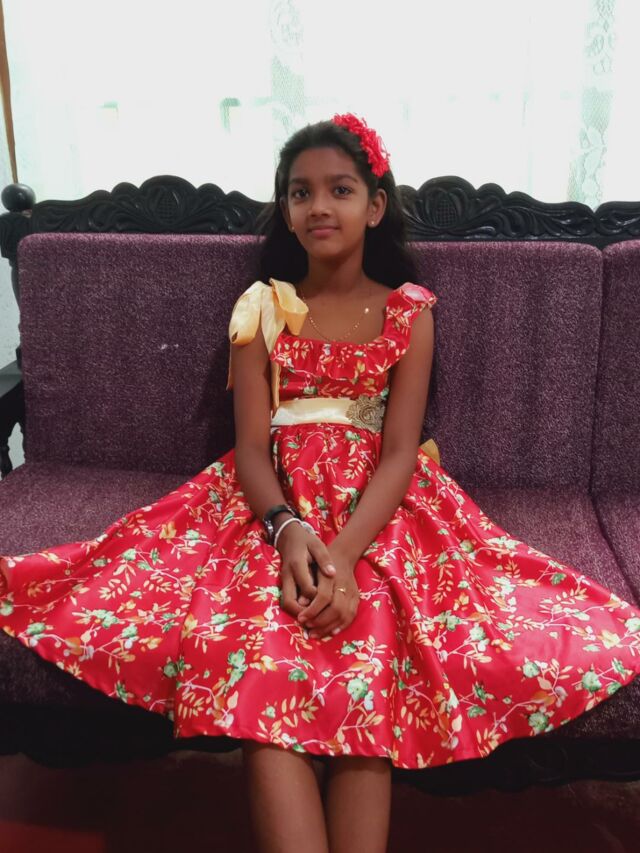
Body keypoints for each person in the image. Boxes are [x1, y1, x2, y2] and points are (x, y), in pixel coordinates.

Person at [1, 113, 640, 853]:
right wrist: (289, 531)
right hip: (268, 509)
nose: (319, 206)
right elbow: (249, 448)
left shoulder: (410, 312)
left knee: (369, 645)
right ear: (286, 209)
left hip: (381, 513)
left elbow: (400, 454)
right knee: (260, 647)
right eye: (300, 192)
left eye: (340, 189)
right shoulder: (262, 307)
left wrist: (341, 557)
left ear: (375, 205)